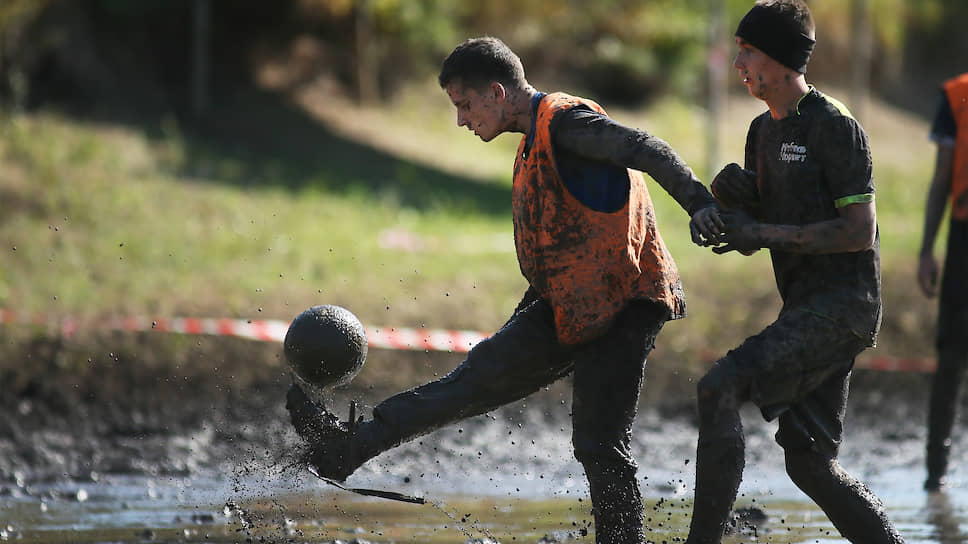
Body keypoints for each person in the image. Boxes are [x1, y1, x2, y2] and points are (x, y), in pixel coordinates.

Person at [286, 36, 722, 544]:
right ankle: (345, 452)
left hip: (626, 303)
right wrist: (516, 329)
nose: (461, 120)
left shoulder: (566, 122)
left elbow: (644, 146)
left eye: (464, 105)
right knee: (473, 378)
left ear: (496, 92)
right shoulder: (531, 142)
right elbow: (559, 254)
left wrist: (699, 203)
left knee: (599, 443)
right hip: (570, 304)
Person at [684, 1, 904, 543]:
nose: (738, 62)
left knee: (719, 386)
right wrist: (731, 212)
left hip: (843, 309)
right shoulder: (761, 132)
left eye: (749, 51)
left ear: (784, 61)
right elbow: (760, 231)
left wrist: (759, 231)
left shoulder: (836, 128)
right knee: (808, 464)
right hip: (806, 308)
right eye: (738, 49)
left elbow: (859, 232)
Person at [918, 71, 968, 492]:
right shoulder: (957, 96)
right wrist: (926, 250)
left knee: (952, 358)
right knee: (951, 355)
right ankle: (936, 472)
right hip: (963, 239)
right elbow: (940, 180)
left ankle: (938, 473)